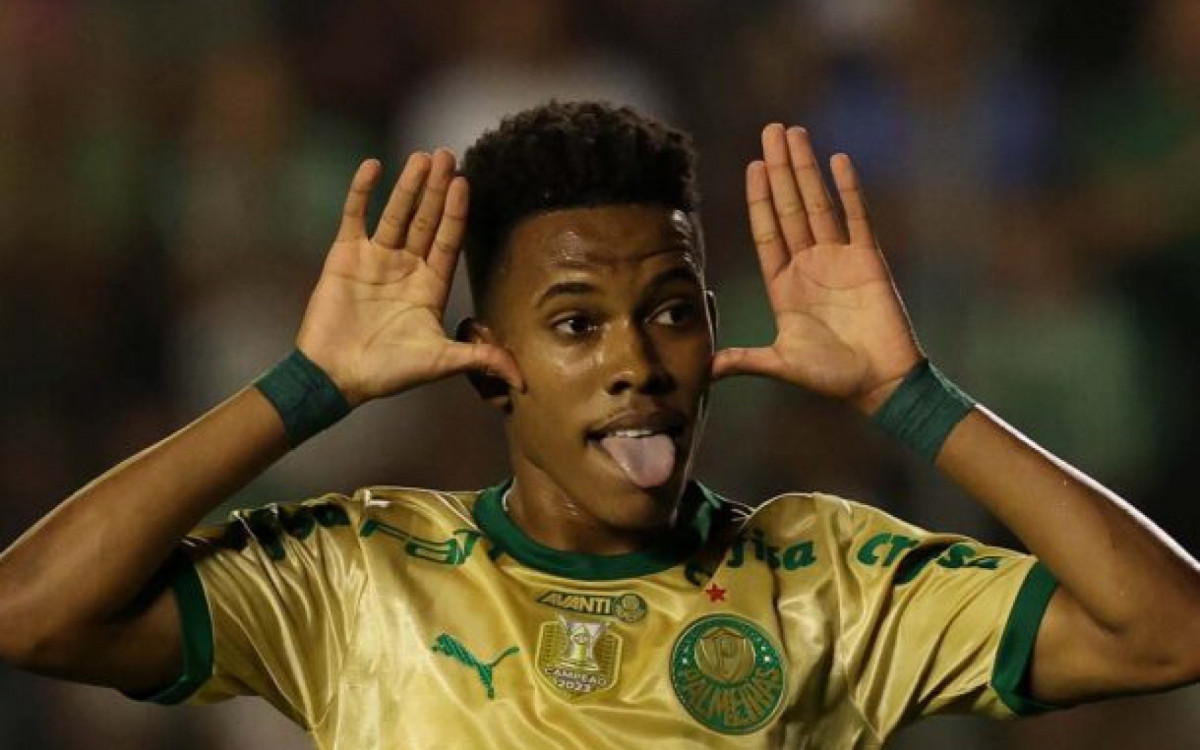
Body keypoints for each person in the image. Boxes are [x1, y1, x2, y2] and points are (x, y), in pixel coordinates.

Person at [0, 101, 1196, 749]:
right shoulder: (357, 577)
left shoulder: (828, 578)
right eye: (576, 325)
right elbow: (31, 612)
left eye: (671, 312)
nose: (636, 361)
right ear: (488, 363)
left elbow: (1167, 635)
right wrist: (307, 386)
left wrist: (910, 398)